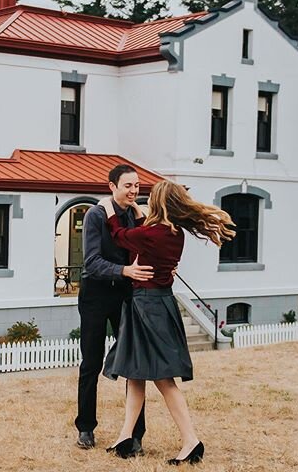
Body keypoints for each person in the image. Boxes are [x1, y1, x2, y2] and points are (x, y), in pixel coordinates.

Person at [100, 180, 235, 465]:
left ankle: (191, 441)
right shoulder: (173, 233)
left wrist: (108, 209)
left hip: (148, 307)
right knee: (135, 372)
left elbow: (121, 235)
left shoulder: (151, 233)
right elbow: (145, 236)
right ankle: (126, 437)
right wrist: (139, 212)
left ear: (159, 203)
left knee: (163, 378)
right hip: (159, 303)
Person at [74, 164, 154, 450]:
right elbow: (91, 263)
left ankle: (135, 435)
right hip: (95, 295)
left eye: (137, 186)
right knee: (91, 363)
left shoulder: (138, 216)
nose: (134, 191)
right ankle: (85, 428)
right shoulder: (95, 215)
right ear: (112, 187)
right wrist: (124, 271)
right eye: (128, 186)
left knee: (135, 364)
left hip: (125, 295)